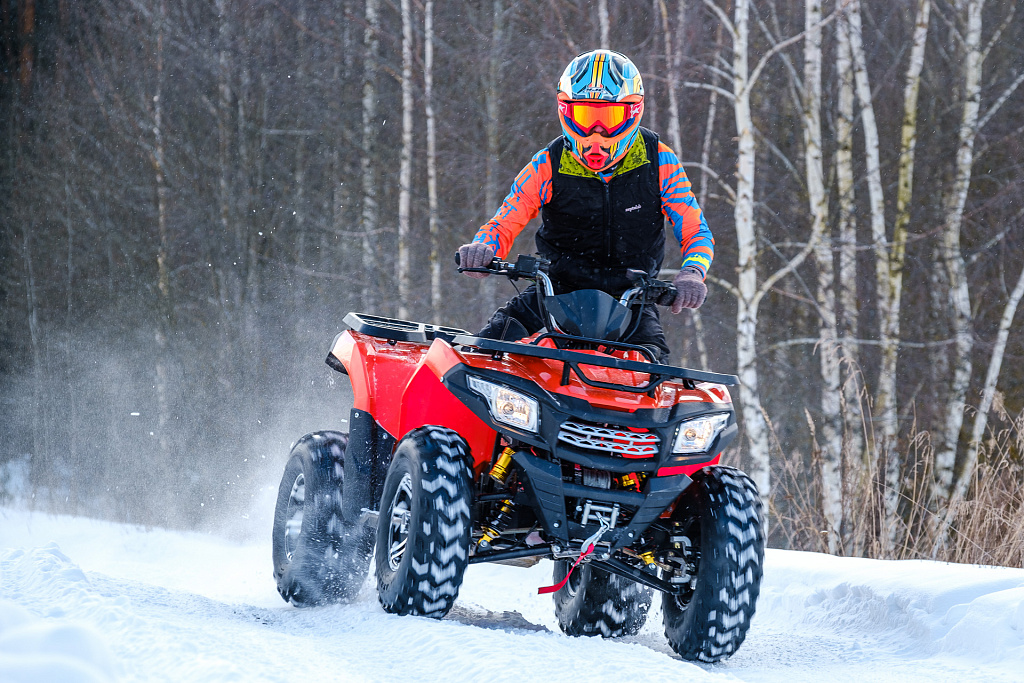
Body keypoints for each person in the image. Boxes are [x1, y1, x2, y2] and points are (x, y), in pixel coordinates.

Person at [458, 49, 713, 362]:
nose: (596, 133)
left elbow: (694, 228)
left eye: (609, 118)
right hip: (555, 290)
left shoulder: (659, 161)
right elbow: (506, 220)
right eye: (585, 117)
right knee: (482, 352)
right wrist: (484, 248)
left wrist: (692, 272)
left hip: (631, 297)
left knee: (656, 375)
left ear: (633, 112)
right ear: (565, 112)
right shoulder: (547, 164)